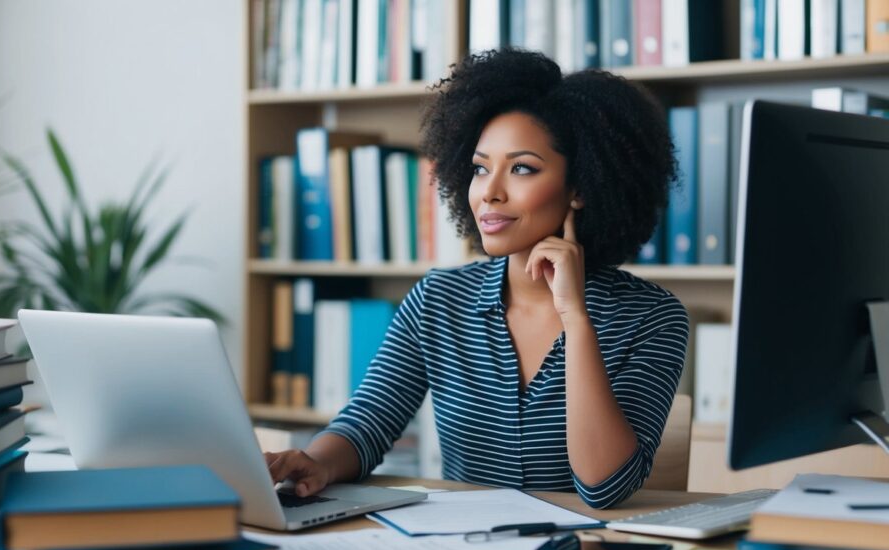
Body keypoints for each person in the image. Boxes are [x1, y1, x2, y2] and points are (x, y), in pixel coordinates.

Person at [265, 48, 689, 509]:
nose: (489, 191)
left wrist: (575, 318)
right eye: (480, 168)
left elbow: (605, 487)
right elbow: (367, 423)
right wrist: (318, 463)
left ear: (581, 187)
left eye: (522, 168)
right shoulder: (438, 299)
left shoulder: (652, 318)